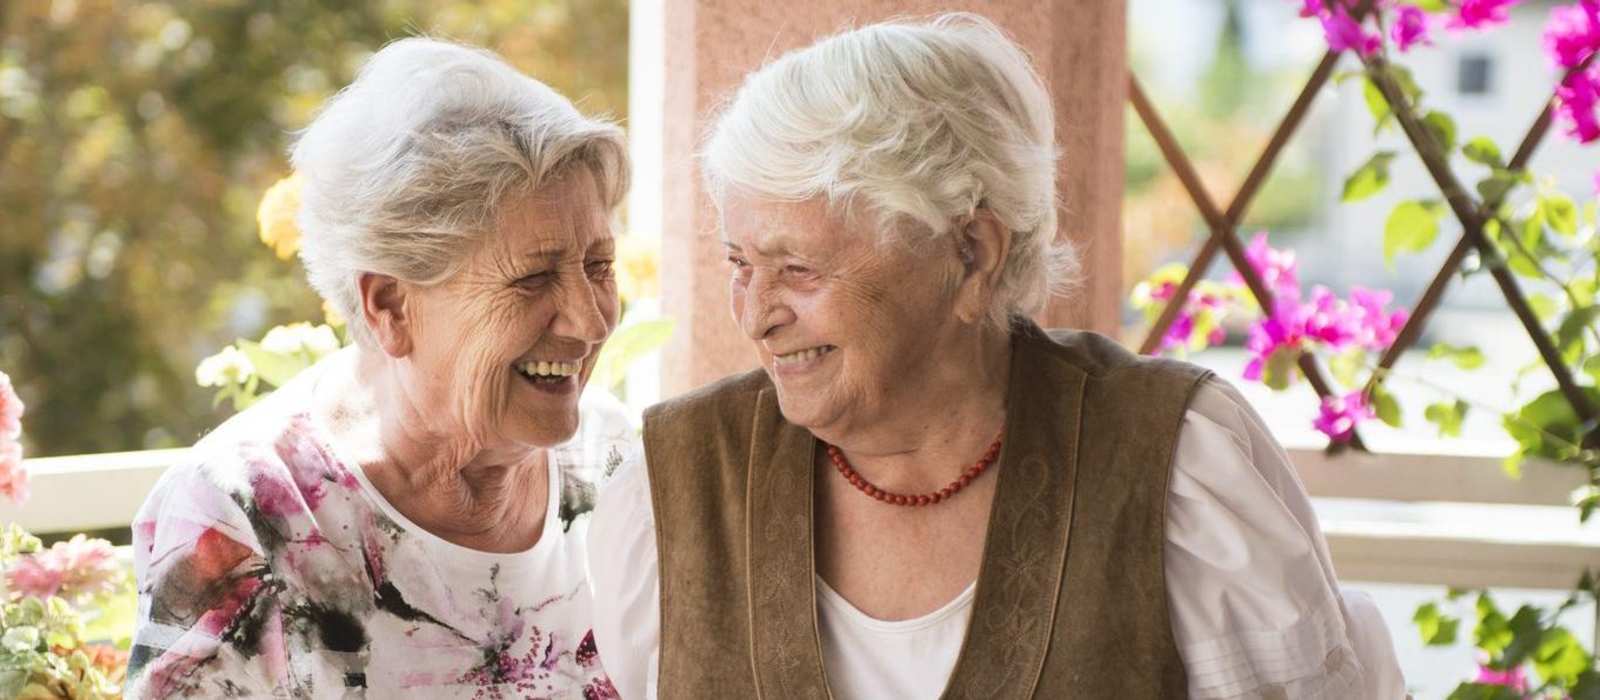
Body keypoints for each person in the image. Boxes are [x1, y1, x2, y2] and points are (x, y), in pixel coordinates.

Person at [587, 14, 1406, 699]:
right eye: (740, 263)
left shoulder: (1176, 461)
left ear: (972, 254)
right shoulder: (672, 490)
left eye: (798, 268)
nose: (757, 314)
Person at [129, 38, 632, 698]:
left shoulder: (614, 462)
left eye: (599, 267)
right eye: (534, 278)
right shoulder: (244, 516)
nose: (592, 321)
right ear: (391, 305)